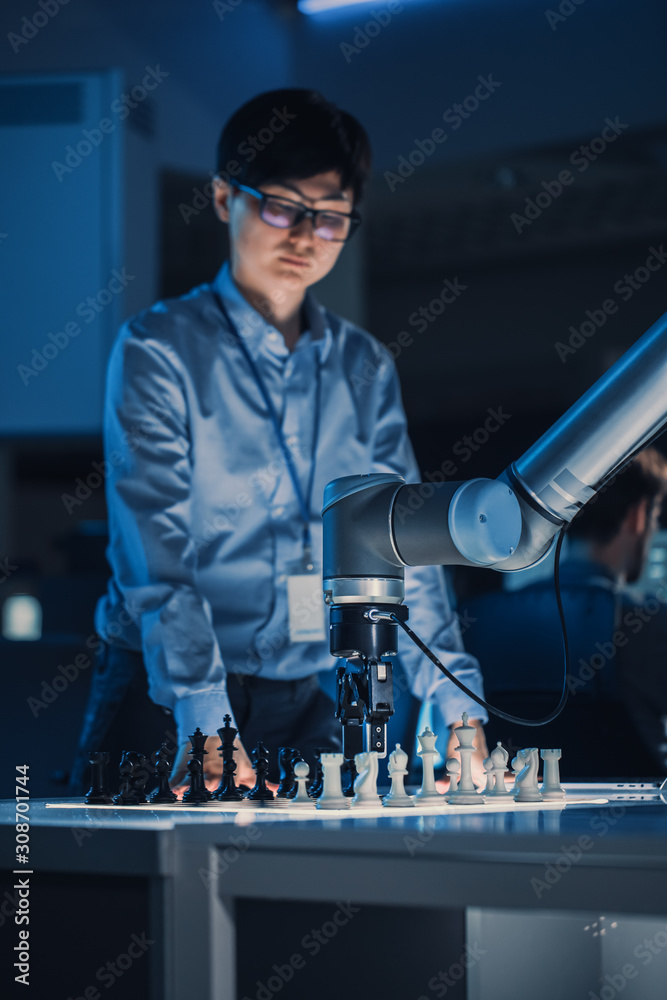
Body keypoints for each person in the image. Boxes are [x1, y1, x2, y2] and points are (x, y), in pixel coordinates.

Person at [70, 88, 488, 794]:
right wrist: (203, 716)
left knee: (311, 889)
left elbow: (402, 542)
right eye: (281, 205)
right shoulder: (157, 349)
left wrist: (454, 698)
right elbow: (156, 558)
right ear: (220, 198)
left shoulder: (363, 367)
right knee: (119, 892)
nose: (302, 237)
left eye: (329, 219)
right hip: (165, 693)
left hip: (303, 692)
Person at [458, 447, 667, 776]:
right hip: (637, 822)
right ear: (639, 515)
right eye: (656, 518)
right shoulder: (650, 623)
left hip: (513, 817)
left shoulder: (476, 617)